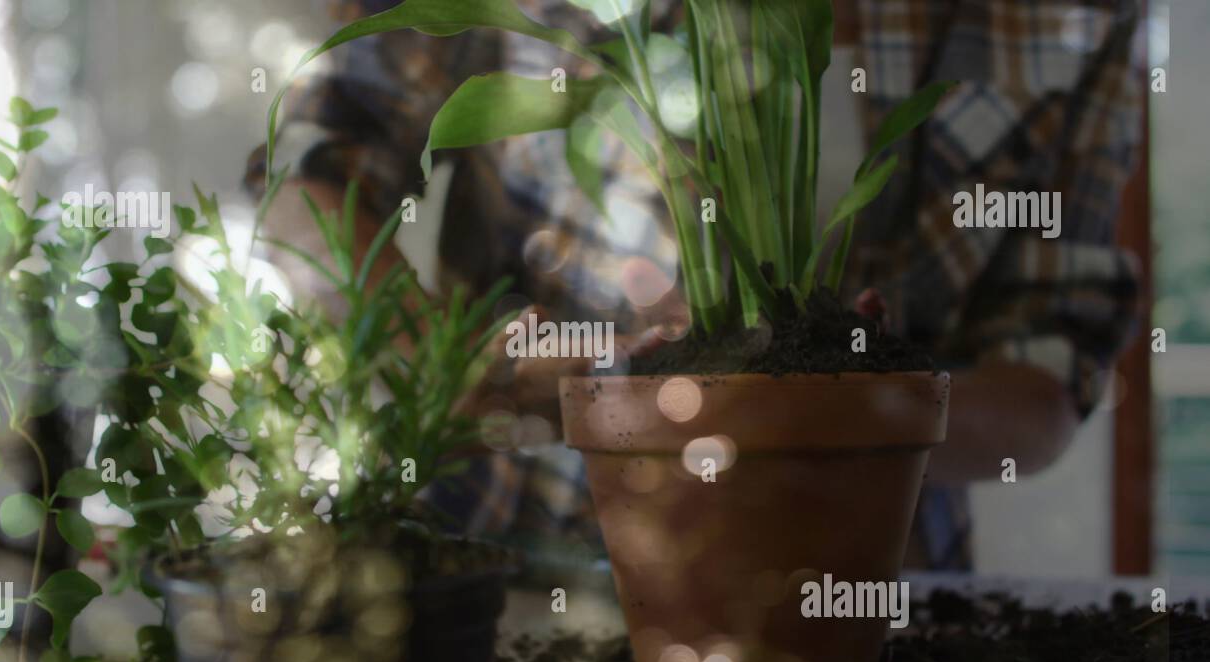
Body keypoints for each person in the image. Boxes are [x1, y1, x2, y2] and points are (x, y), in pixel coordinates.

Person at [248, 0, 1142, 570]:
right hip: (515, 564)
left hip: (867, 592)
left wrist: (834, 410)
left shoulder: (1077, 15)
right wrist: (443, 370)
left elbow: (1045, 362)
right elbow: (310, 176)